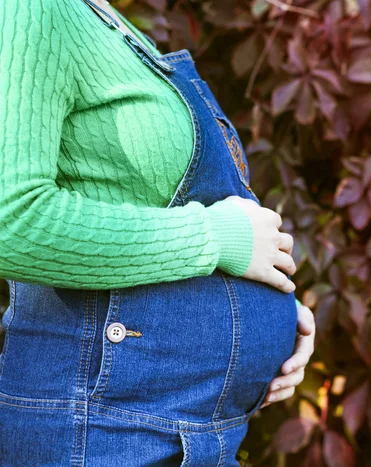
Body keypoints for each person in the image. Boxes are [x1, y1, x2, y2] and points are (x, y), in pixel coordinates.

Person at [0, 0, 315, 464]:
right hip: (103, 427)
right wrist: (213, 238)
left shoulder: (106, 21)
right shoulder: (33, 9)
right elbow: (11, 221)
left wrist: (273, 308)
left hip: (192, 428)